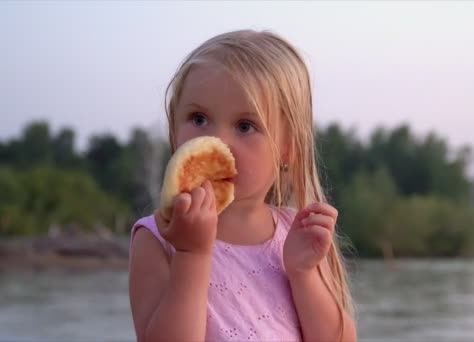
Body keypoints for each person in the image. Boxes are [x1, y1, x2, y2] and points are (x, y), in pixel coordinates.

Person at [128, 29, 357, 342]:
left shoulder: (295, 233)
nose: (217, 141)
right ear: (173, 127)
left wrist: (303, 274)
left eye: (245, 126)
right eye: (198, 119)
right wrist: (191, 254)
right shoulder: (158, 238)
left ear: (288, 146)